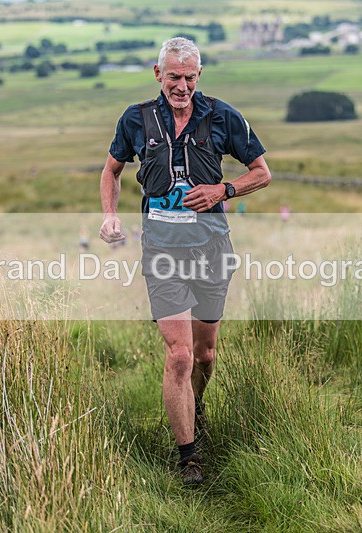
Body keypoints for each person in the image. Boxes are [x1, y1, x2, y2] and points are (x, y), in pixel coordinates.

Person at [99, 37, 271, 485]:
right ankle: (188, 457)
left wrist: (223, 190)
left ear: (199, 76)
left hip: (212, 249)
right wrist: (110, 216)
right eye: (174, 76)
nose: (182, 85)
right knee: (179, 355)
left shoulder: (221, 116)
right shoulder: (136, 119)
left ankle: (198, 406)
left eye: (190, 77)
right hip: (161, 251)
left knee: (205, 355)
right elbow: (112, 170)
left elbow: (262, 172)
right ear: (158, 74)